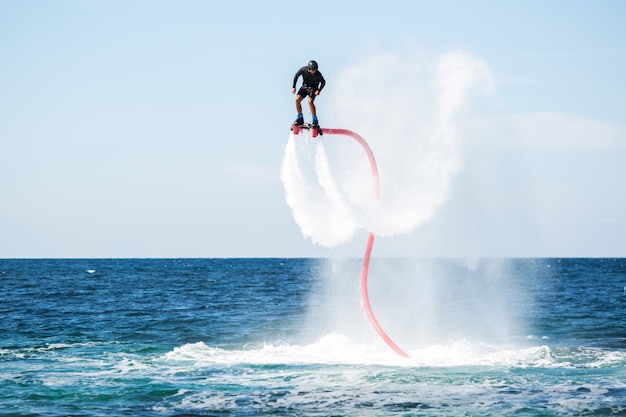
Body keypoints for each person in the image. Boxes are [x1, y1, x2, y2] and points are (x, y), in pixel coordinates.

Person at [292, 60, 325, 126]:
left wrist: (319, 90)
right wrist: (293, 87)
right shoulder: (303, 70)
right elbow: (296, 75)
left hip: (313, 89)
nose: (314, 71)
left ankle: (315, 119)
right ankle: (300, 117)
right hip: (305, 87)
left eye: (315, 70)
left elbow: (323, 82)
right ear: (309, 69)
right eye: (313, 70)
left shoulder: (318, 74)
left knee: (310, 102)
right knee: (297, 99)